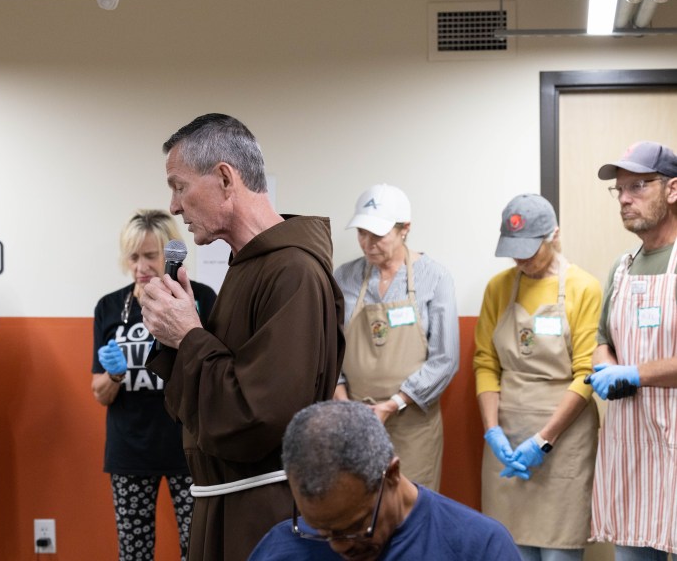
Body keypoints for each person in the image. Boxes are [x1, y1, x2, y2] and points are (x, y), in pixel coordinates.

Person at [140, 113, 344, 561]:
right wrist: (178, 336)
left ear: (225, 178)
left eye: (178, 186)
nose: (173, 207)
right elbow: (197, 409)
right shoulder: (250, 266)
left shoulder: (293, 271)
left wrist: (190, 335)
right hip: (227, 502)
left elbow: (257, 415)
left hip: (264, 514)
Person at [473, 193, 602, 561]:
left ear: (554, 235)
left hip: (564, 439)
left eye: (530, 249)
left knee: (558, 552)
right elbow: (485, 362)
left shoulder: (583, 287)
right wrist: (492, 430)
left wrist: (544, 440)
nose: (521, 259)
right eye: (514, 249)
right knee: (508, 550)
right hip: (508, 436)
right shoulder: (498, 288)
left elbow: (586, 374)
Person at [91, 209, 217, 561]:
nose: (141, 266)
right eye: (133, 257)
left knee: (197, 550)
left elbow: (215, 375)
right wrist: (114, 373)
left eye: (150, 256)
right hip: (130, 450)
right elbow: (100, 393)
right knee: (133, 553)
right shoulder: (110, 307)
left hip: (189, 448)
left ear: (168, 256)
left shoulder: (202, 299)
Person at [248, 400, 521, 561]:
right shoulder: (283, 548)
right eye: (321, 529)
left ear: (391, 475)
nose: (339, 545)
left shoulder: (477, 547)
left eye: (356, 526)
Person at [333, 184, 458, 491]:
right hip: (356, 420)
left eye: (378, 235)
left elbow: (445, 358)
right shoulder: (343, 277)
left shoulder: (435, 277)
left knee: (411, 508)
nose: (367, 243)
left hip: (412, 422)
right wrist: (345, 402)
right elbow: (330, 347)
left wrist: (393, 404)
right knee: (360, 506)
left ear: (405, 229)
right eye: (362, 233)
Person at [585, 141, 677, 560]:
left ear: (672, 190)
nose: (624, 198)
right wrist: (605, 367)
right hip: (632, 451)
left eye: (638, 186)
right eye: (619, 190)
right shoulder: (621, 268)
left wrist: (635, 374)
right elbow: (603, 340)